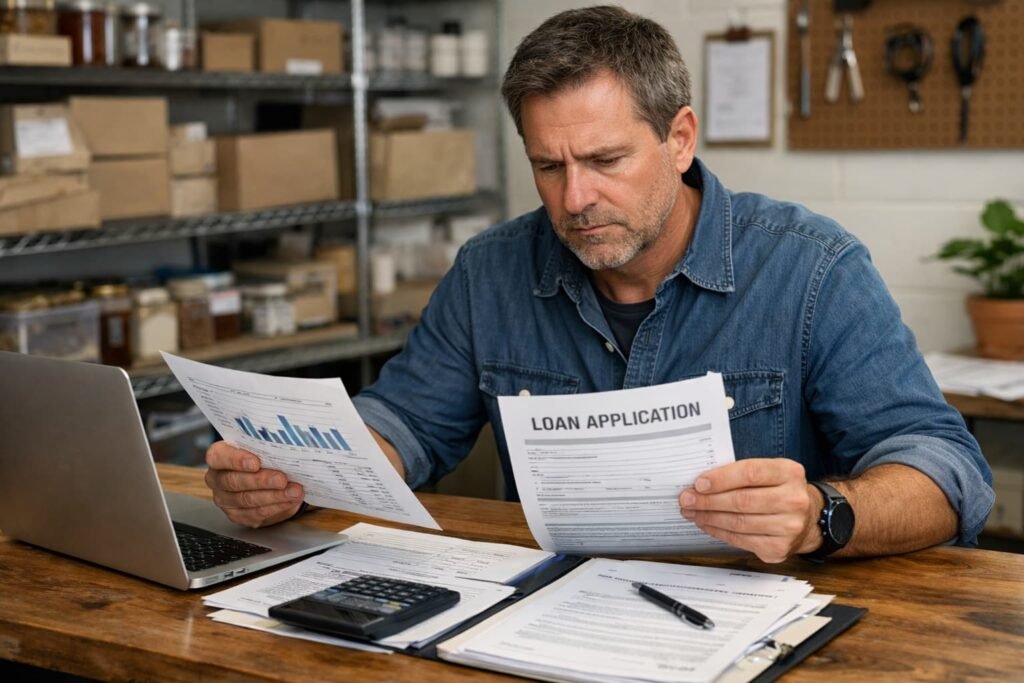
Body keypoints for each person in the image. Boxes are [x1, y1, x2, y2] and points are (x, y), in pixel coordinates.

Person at [205, 5, 992, 563]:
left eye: (607, 161)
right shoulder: (491, 270)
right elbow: (405, 421)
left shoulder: (813, 268)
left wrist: (825, 513)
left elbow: (946, 471)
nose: (574, 198)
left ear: (679, 138)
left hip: (761, 627)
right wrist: (298, 472)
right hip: (549, 617)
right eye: (549, 165)